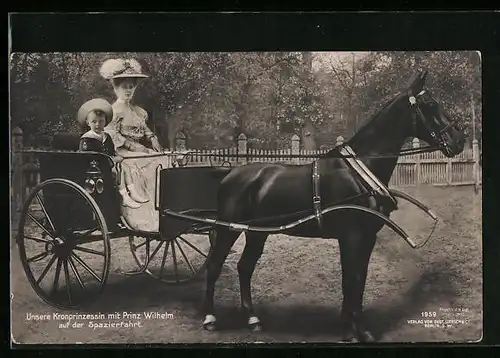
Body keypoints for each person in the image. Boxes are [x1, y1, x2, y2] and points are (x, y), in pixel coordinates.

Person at [99, 58, 171, 231]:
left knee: (164, 161)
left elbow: (145, 129)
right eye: (125, 86)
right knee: (140, 165)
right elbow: (111, 135)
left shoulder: (137, 111)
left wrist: (152, 138)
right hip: (121, 153)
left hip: (140, 151)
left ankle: (164, 212)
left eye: (132, 86)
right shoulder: (113, 111)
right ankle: (140, 217)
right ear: (116, 88)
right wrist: (135, 147)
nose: (129, 90)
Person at [77, 98, 144, 209]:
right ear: (88, 123)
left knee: (126, 167)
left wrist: (116, 156)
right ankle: (124, 196)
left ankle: (132, 192)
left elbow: (111, 151)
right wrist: (112, 161)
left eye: (101, 121)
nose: (98, 124)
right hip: (94, 168)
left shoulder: (106, 137)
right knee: (118, 169)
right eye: (94, 122)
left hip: (107, 164)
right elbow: (87, 156)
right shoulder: (87, 139)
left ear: (105, 122)